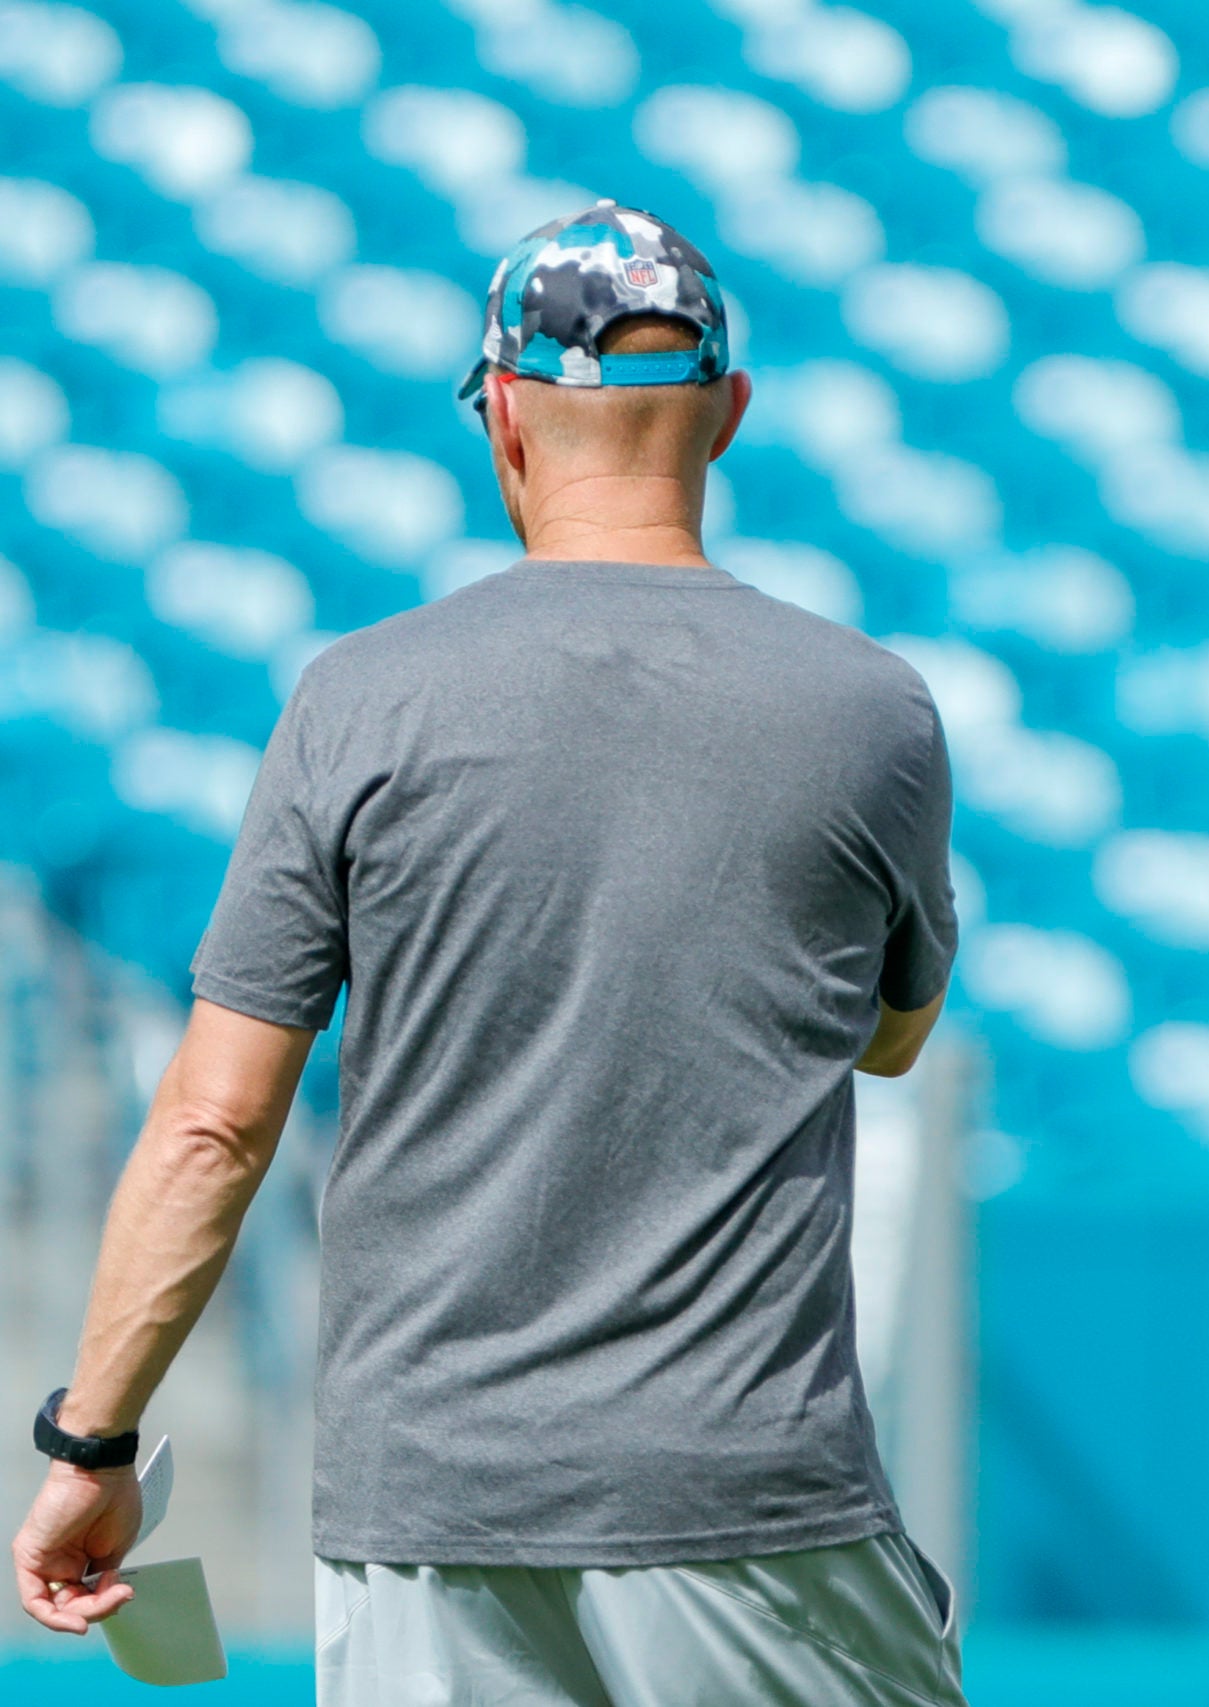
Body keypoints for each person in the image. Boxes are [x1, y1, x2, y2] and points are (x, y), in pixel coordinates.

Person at [13, 203, 968, 1707]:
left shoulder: (359, 703)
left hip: (428, 1511)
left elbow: (215, 1119)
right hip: (744, 1492)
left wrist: (94, 1445)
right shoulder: (872, 710)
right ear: (728, 411)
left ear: (504, 413)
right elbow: (891, 1036)